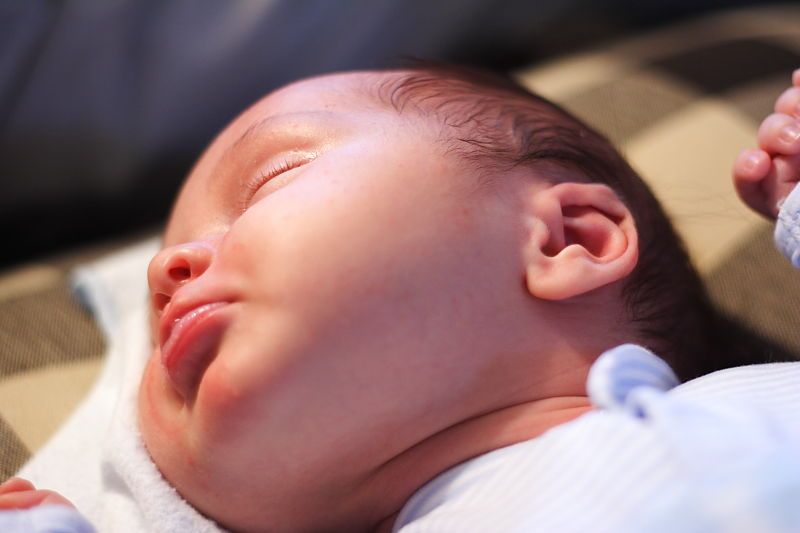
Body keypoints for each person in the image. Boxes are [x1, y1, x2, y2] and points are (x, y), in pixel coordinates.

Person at [1, 65, 799, 532]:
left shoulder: (755, 404)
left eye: (272, 178)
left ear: (568, 239)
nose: (164, 269)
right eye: (152, 327)